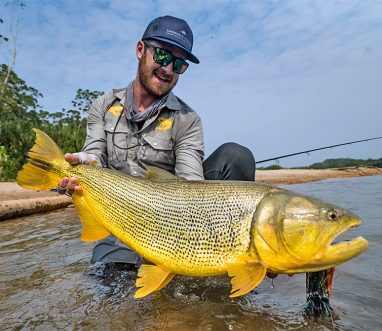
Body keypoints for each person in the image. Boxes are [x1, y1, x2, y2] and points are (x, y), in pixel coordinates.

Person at [57, 15, 256, 268]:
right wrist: (85, 164)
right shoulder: (103, 106)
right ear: (140, 50)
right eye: (162, 56)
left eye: (179, 64)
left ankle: (238, 253)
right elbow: (94, 156)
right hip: (120, 223)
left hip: (174, 225)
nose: (168, 69)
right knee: (110, 288)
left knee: (235, 156)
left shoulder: (188, 119)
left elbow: (191, 183)